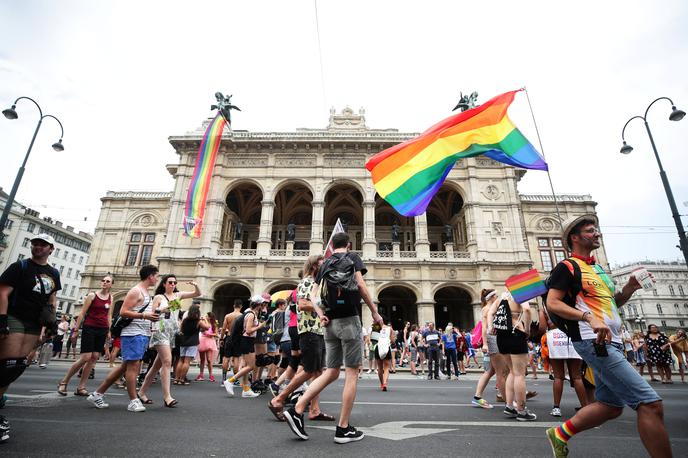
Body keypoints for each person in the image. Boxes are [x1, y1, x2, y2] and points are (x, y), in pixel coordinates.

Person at [545, 215, 671, 457]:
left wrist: (629, 288)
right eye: (591, 231)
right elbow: (553, 303)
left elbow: (612, 304)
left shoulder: (598, 269)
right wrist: (587, 318)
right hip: (593, 342)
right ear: (575, 237)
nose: (597, 234)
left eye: (596, 230)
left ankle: (560, 434)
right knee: (650, 404)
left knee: (611, 406)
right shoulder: (567, 267)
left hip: (611, 340)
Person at [283, 231, 383, 444]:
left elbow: (313, 296)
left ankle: (298, 407)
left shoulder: (326, 263)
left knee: (331, 372)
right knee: (352, 373)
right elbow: (361, 287)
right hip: (349, 320)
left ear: (332, 246)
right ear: (348, 244)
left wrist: (321, 315)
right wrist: (374, 312)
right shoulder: (352, 257)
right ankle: (343, 428)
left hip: (329, 323)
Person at [0, 233, 61, 443]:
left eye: (43, 245)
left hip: (35, 323)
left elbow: (52, 297)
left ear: (51, 249)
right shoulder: (20, 267)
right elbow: (3, 292)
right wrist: (2, 319)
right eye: (35, 243)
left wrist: (52, 322)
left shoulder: (53, 273)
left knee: (16, 366)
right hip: (15, 317)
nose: (38, 247)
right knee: (7, 365)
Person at [87, 265, 160, 412]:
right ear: (150, 276)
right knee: (133, 367)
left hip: (141, 333)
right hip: (133, 334)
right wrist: (144, 316)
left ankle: (97, 393)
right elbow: (123, 311)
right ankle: (133, 400)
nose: (157, 279)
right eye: (156, 276)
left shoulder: (145, 292)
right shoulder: (136, 290)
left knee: (124, 367)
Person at [268, 255, 333, 420]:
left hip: (318, 331)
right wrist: (326, 306)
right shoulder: (307, 282)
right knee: (309, 370)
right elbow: (303, 305)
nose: (325, 267)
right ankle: (278, 399)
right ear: (313, 268)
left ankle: (314, 410)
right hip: (309, 331)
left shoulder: (318, 284)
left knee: (318, 372)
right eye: (322, 264)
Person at [138, 275, 200, 407]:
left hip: (171, 332)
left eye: (174, 282)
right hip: (160, 331)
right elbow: (153, 314)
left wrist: (195, 285)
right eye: (170, 282)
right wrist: (164, 309)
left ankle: (142, 392)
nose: (172, 284)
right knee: (167, 361)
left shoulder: (178, 295)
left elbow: (198, 293)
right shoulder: (159, 297)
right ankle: (167, 397)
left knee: (156, 366)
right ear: (164, 284)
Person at [58, 275, 114, 396]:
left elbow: (109, 315)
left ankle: (81, 387)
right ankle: (64, 382)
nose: (104, 282)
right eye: (103, 280)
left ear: (111, 284)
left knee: (94, 357)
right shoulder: (92, 295)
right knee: (85, 357)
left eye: (107, 281)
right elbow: (82, 313)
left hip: (102, 329)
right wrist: (76, 330)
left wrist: (109, 330)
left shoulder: (111, 297)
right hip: (90, 327)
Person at [489, 291, 536, 421]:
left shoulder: (501, 297)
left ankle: (510, 406)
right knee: (520, 374)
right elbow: (526, 310)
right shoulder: (520, 294)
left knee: (512, 372)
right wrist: (527, 330)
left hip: (501, 336)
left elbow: (491, 313)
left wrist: (490, 327)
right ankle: (521, 410)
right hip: (516, 334)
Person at [538, 306, 588, 417]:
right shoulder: (573, 300)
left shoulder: (546, 305)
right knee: (577, 376)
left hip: (554, 337)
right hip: (573, 335)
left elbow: (542, 328)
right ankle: (585, 408)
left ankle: (556, 408)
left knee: (558, 376)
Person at [225, 295, 269, 398]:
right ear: (258, 305)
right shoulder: (251, 315)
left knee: (247, 366)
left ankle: (246, 389)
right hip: (247, 340)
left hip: (247, 341)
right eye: (262, 304)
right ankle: (230, 381)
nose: (264, 306)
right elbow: (248, 330)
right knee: (251, 366)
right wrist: (260, 326)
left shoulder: (250, 312)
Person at [472, 289, 506, 409]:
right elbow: (484, 328)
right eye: (496, 295)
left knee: (491, 371)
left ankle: (477, 397)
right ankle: (509, 401)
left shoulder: (490, 308)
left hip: (494, 340)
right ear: (491, 297)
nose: (497, 297)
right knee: (500, 372)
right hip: (492, 340)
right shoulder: (487, 309)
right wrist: (485, 344)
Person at [174, 303, 209, 385]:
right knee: (187, 362)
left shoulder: (185, 320)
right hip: (192, 342)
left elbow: (181, 330)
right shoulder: (198, 321)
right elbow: (207, 327)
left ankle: (176, 379)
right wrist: (205, 319)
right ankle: (182, 379)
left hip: (183, 342)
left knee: (180, 360)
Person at [220, 299, 243, 383]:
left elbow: (223, 329)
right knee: (236, 358)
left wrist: (221, 338)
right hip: (238, 338)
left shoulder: (228, 316)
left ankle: (224, 378)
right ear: (241, 306)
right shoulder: (242, 316)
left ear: (234, 306)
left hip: (229, 337)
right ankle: (235, 379)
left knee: (226, 357)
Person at [197, 312, 219, 382]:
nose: (205, 316)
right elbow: (202, 330)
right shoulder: (203, 323)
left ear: (210, 317)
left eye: (207, 316)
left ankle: (210, 375)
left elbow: (216, 334)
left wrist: (211, 334)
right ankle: (201, 374)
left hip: (210, 341)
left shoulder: (214, 324)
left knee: (209, 359)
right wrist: (204, 321)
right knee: (202, 359)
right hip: (202, 341)